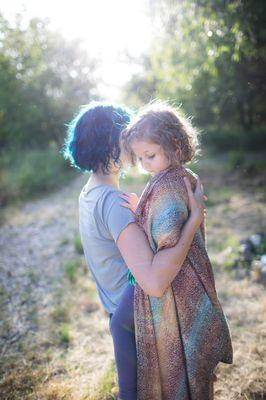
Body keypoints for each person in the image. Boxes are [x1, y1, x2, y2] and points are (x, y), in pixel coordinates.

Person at [62, 101, 206, 400]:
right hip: (136, 320)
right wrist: (193, 223)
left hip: (118, 309)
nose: (133, 140)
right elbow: (153, 283)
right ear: (113, 143)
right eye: (127, 134)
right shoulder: (113, 203)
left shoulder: (89, 192)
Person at [121, 100, 234, 400]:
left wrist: (143, 217)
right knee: (190, 359)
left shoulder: (168, 186)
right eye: (139, 157)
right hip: (190, 279)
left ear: (174, 145)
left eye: (150, 155)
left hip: (176, 285)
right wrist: (143, 210)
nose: (144, 164)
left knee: (178, 356)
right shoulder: (183, 176)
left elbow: (165, 243)